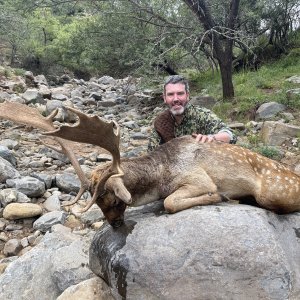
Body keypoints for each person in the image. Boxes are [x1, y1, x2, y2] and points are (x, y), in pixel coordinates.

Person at [148, 75, 237, 151]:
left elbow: (230, 135)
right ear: (164, 98)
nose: (175, 99)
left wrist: (212, 138)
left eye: (180, 93)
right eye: (171, 94)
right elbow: (151, 155)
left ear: (187, 96)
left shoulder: (202, 115)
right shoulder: (160, 123)